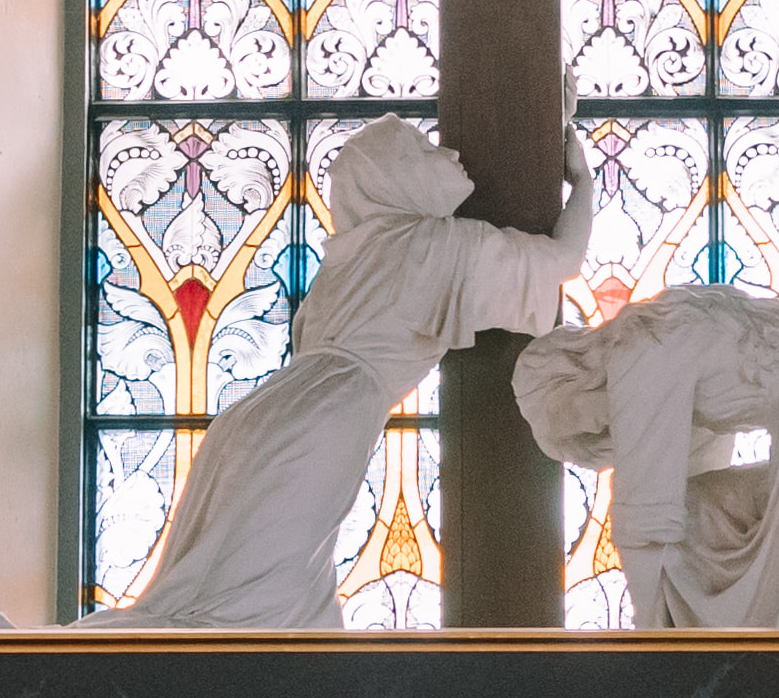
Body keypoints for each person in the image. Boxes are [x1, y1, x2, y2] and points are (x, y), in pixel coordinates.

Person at [121, 120, 583, 626]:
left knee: (229, 592)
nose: (443, 158)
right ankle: (52, 661)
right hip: (326, 417)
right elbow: (563, 259)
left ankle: (60, 655)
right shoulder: (432, 247)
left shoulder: (348, 253)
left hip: (259, 414)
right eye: (417, 152)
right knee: (253, 606)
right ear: (391, 176)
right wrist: (584, 182)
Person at [516, 283, 779, 631]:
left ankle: (712, 668)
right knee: (699, 513)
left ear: (572, 379)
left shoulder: (638, 351)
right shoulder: (662, 334)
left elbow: (645, 520)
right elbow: (686, 496)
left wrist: (646, 642)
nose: (599, 430)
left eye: (577, 423)